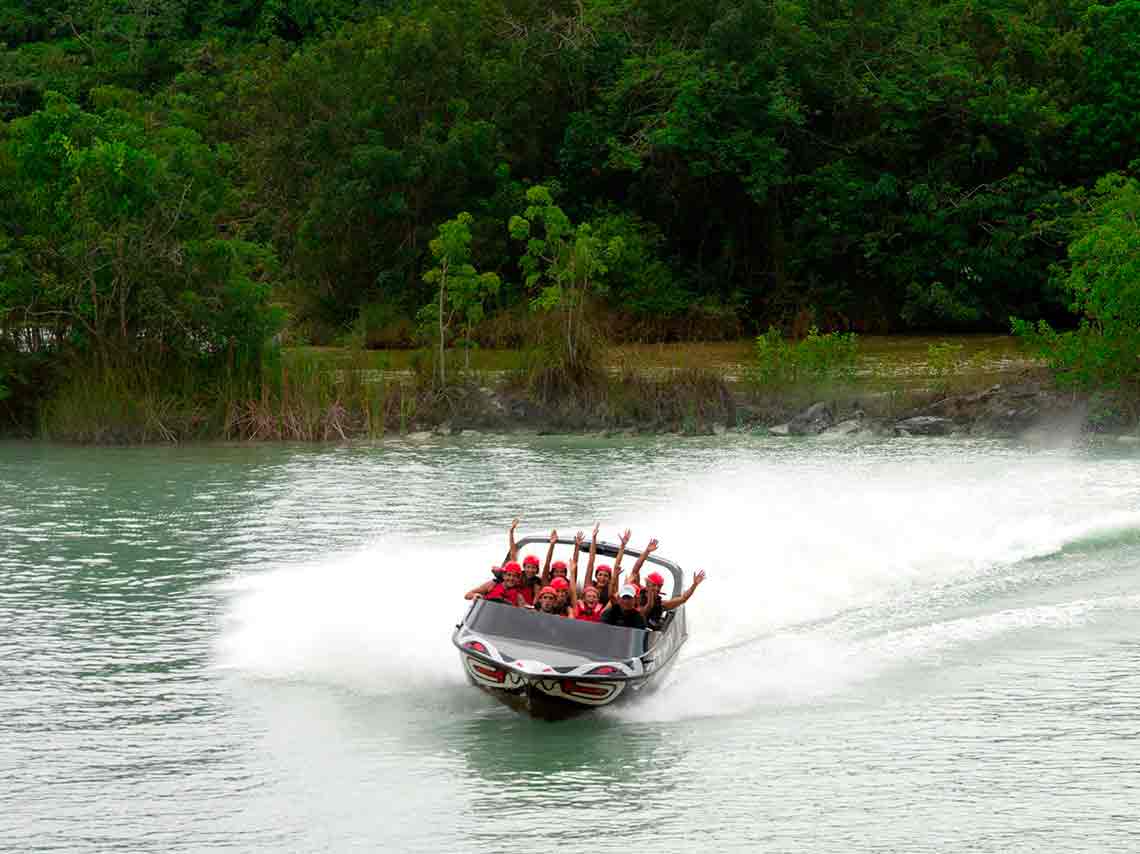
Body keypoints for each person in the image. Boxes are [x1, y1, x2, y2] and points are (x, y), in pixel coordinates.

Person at [640, 569, 706, 629]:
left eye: (659, 586)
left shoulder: (662, 604)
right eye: (654, 585)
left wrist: (694, 585)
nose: (657, 588)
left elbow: (683, 598)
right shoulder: (635, 599)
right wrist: (650, 592)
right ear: (647, 585)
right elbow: (647, 608)